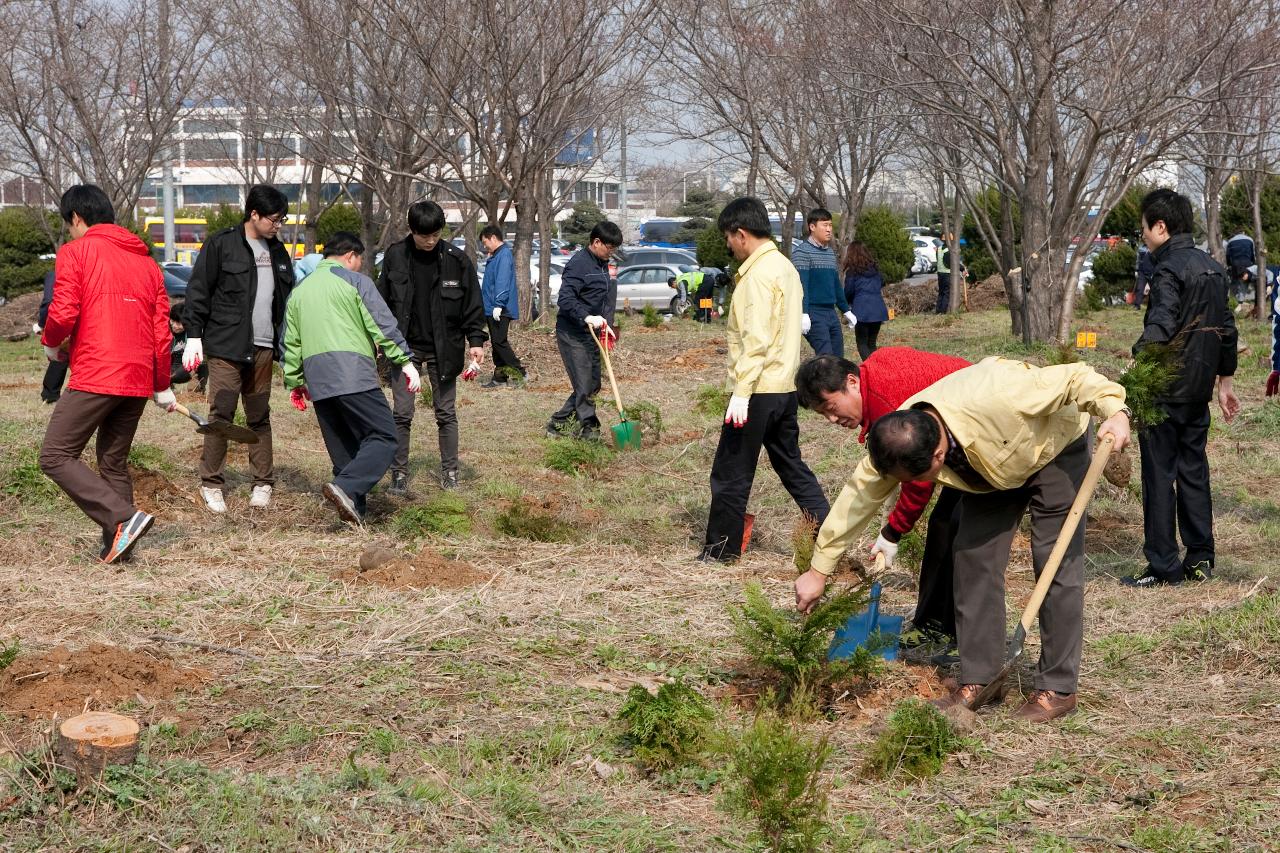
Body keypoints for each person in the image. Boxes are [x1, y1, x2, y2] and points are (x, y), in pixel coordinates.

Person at [796, 356, 1132, 722]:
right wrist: (819, 569)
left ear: (938, 455)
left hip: (1052, 448)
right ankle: (981, 678)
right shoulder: (899, 436)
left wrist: (1116, 410)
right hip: (989, 468)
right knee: (972, 560)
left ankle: (1057, 687)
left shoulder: (1001, 393)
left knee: (1055, 564)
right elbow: (855, 501)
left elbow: (1076, 378)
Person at [795, 350, 971, 651]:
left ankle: (955, 634)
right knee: (944, 525)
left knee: (960, 534)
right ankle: (932, 625)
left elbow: (917, 478)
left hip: (978, 437)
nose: (832, 419)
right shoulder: (874, 375)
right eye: (823, 414)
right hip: (953, 440)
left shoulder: (889, 403)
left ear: (851, 382)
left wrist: (892, 531)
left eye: (831, 407)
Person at [38, 184, 175, 563]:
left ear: (77, 219)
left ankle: (123, 517)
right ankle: (120, 543)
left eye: (70, 225)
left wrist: (52, 343)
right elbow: (161, 331)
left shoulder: (76, 251)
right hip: (137, 376)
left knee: (55, 455)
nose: (70, 232)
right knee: (113, 462)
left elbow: (63, 310)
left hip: (98, 371)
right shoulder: (147, 262)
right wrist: (160, 383)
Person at [700, 197, 830, 562]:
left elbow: (756, 339)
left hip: (756, 390)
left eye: (729, 237)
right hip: (784, 388)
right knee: (791, 464)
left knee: (730, 472)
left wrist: (741, 393)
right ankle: (829, 529)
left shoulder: (757, 276)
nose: (728, 244)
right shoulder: (785, 267)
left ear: (741, 234)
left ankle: (721, 550)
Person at [1125, 189, 1240, 588]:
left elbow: (1162, 322)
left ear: (1161, 227)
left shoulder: (1168, 269)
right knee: (1193, 472)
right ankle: (1200, 559)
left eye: (1144, 229)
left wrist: (1138, 360)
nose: (1142, 236)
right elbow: (1226, 327)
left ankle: (1163, 566)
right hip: (1198, 392)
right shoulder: (1212, 267)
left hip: (1165, 391)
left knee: (1158, 477)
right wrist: (1224, 383)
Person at [282, 232, 419, 525]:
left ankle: (353, 514)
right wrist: (405, 361)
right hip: (352, 374)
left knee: (344, 450)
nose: (359, 266)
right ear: (351, 256)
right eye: (360, 260)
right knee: (384, 435)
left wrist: (294, 381)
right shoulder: (355, 282)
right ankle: (345, 488)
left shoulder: (300, 292)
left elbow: (291, 342)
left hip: (318, 381)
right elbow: (382, 323)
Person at [182, 184, 296, 514]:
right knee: (222, 412)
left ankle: (262, 482)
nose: (278, 226)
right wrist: (193, 335)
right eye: (274, 219)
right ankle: (212, 483)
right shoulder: (222, 244)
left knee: (259, 414)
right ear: (254, 214)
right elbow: (199, 290)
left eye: (282, 220)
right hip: (226, 346)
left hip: (263, 348)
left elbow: (285, 301)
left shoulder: (278, 251)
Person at [376, 200, 487, 493]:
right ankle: (398, 473)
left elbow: (472, 305)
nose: (430, 241)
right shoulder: (396, 256)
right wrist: (378, 339)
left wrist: (476, 341)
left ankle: (450, 472)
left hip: (445, 347)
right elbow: (382, 302)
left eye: (435, 234)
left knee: (446, 412)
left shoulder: (456, 260)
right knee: (401, 413)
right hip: (404, 348)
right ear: (412, 230)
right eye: (424, 235)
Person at [545, 221, 622, 442]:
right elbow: (566, 299)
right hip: (572, 332)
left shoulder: (602, 264)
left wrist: (607, 325)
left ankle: (559, 422)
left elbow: (605, 299)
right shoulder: (578, 264)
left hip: (593, 333)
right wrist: (586, 316)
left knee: (593, 384)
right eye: (610, 247)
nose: (612, 253)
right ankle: (590, 429)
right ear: (596, 242)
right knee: (584, 384)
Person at [792, 208, 856, 356]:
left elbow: (835, 285)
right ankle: (821, 379)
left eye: (830, 225)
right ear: (812, 227)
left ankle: (833, 380)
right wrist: (804, 313)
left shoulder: (829, 253)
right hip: (813, 312)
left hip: (830, 312)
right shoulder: (802, 252)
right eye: (825, 225)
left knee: (838, 356)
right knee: (826, 357)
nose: (829, 230)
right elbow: (802, 286)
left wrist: (846, 309)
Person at [478, 225, 526, 388]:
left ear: (493, 237)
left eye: (485, 242)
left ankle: (521, 372)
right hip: (492, 307)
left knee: (500, 342)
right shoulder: (496, 255)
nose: (485, 246)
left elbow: (502, 281)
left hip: (500, 308)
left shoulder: (503, 255)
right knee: (497, 343)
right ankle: (500, 377)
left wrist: (499, 304)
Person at [841, 241, 889, 360]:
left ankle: (870, 370)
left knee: (862, 343)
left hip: (861, 310)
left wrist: (846, 306)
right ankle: (875, 369)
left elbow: (848, 291)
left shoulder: (852, 272)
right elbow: (882, 282)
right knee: (872, 343)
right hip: (878, 309)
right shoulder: (875, 269)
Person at [34, 270, 68, 404]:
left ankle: (50, 394)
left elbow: (49, 300)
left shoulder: (57, 273)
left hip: (63, 319)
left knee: (60, 355)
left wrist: (42, 324)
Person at [936, 239, 966, 314]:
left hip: (940, 274)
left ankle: (938, 310)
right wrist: (962, 269)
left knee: (941, 293)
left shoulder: (939, 249)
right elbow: (952, 263)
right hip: (947, 274)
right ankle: (942, 312)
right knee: (947, 293)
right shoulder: (947, 251)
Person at [1224, 231, 1255, 302]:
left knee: (1235, 281)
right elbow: (1253, 253)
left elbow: (1228, 255)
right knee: (1244, 282)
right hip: (1247, 262)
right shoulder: (1250, 239)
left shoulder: (1230, 241)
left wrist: (1229, 264)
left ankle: (1233, 299)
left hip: (1235, 264)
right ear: (1243, 232)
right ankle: (1240, 301)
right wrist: (1253, 263)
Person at [1131, 244, 1154, 309]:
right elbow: (1138, 260)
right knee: (1139, 288)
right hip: (1142, 272)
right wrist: (1136, 270)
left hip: (1152, 272)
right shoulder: (1141, 248)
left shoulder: (1155, 247)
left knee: (1155, 289)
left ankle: (1155, 306)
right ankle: (1137, 305)